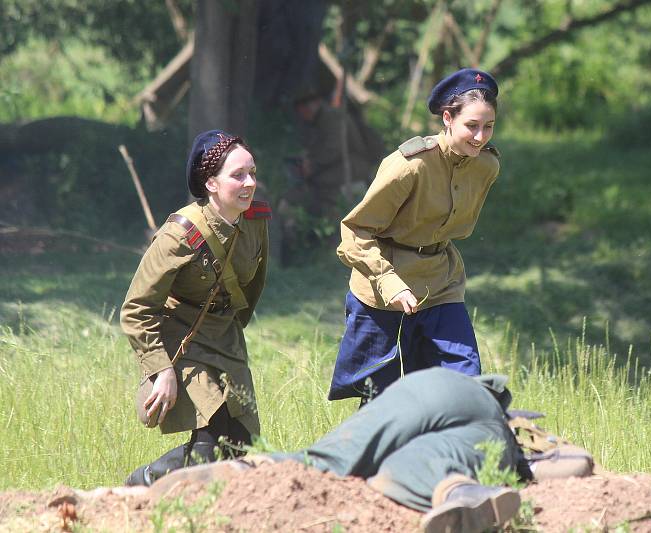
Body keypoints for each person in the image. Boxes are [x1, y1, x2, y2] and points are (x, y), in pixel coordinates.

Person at [147, 367, 595, 533]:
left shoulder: (487, 400)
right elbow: (578, 465)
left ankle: (236, 473)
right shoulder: (506, 435)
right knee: (423, 470)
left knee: (330, 462)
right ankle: (462, 494)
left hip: (426, 384)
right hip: (474, 419)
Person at [329, 68, 501, 403]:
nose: (481, 137)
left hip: (440, 281)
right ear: (447, 118)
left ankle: (450, 454)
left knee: (462, 383)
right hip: (381, 288)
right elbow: (356, 229)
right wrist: (389, 282)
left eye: (489, 127)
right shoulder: (409, 165)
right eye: (472, 126)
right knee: (382, 400)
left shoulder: (486, 166)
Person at [120, 129, 270, 486]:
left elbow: (254, 283)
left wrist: (232, 335)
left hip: (225, 336)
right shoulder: (179, 235)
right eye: (238, 175)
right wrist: (162, 370)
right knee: (208, 444)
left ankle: (160, 487)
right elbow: (136, 308)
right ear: (211, 184)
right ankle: (142, 485)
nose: (250, 183)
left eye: (252, 172)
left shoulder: (256, 221)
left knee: (239, 443)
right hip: (181, 336)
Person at [276, 89, 383, 260]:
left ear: (311, 106)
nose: (302, 115)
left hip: (350, 172)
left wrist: (312, 164)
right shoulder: (323, 119)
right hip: (337, 171)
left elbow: (333, 149)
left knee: (323, 199)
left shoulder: (331, 118)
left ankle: (329, 248)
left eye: (302, 110)